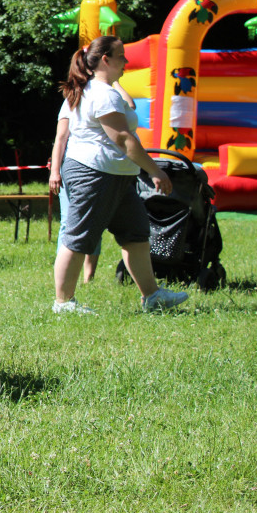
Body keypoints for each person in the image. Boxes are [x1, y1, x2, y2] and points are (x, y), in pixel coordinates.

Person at [53, 35, 189, 314]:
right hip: (94, 174)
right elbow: (124, 139)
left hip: (116, 175)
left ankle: (152, 296)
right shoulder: (102, 94)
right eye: (121, 55)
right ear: (106, 59)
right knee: (79, 237)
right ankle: (63, 303)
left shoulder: (101, 90)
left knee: (136, 234)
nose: (126, 61)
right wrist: (156, 171)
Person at [49, 78, 135, 283]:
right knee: (70, 224)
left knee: (94, 224)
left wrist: (115, 82)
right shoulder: (73, 99)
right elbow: (60, 138)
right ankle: (64, 277)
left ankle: (88, 276)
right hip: (77, 167)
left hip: (104, 169)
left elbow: (131, 106)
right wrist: (55, 172)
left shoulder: (108, 94)